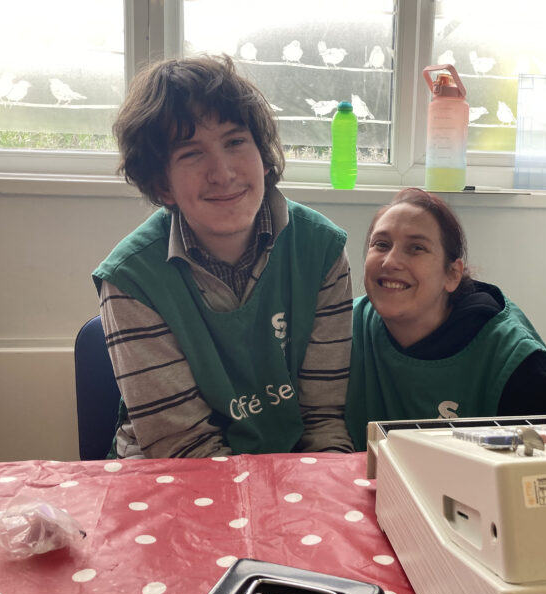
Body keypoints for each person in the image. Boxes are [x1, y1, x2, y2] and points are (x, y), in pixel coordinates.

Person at [94, 55, 354, 458]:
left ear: (264, 158)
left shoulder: (322, 251)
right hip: (172, 477)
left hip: (290, 472)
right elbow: (184, 448)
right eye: (191, 153)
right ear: (163, 184)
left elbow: (322, 420)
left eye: (235, 142)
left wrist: (318, 504)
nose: (223, 172)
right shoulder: (130, 279)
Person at [346, 188, 546, 450]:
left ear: (452, 274)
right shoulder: (339, 329)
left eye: (416, 248)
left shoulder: (520, 365)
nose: (391, 261)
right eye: (381, 244)